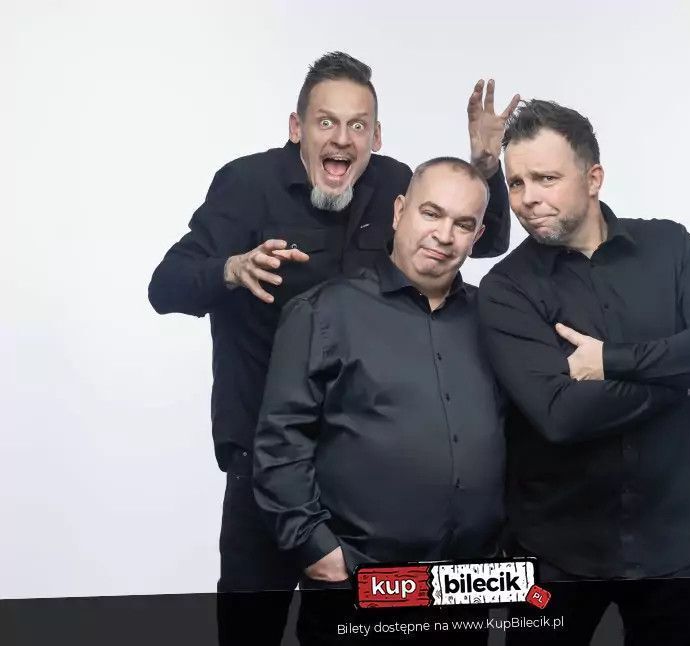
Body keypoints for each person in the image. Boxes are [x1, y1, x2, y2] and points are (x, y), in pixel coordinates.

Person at [147, 51, 515, 645]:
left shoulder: (394, 182)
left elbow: (475, 236)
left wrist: (484, 166)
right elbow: (164, 287)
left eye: (358, 125)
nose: (342, 138)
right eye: (326, 122)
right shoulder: (246, 185)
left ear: (376, 136)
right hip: (267, 456)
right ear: (298, 127)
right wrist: (232, 268)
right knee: (251, 625)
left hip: (361, 463)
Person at [477, 100, 690, 645]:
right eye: (516, 183)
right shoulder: (506, 289)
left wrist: (611, 360)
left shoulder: (669, 247)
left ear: (593, 178)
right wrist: (680, 378)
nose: (527, 198)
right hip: (553, 556)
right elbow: (560, 414)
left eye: (546, 178)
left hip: (675, 548)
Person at [254, 157, 504, 645]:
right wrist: (318, 551)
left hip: (464, 591)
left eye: (463, 224)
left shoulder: (494, 322)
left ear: (477, 237)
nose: (444, 235)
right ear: (399, 211)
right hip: (359, 587)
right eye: (431, 213)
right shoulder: (324, 312)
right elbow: (279, 444)